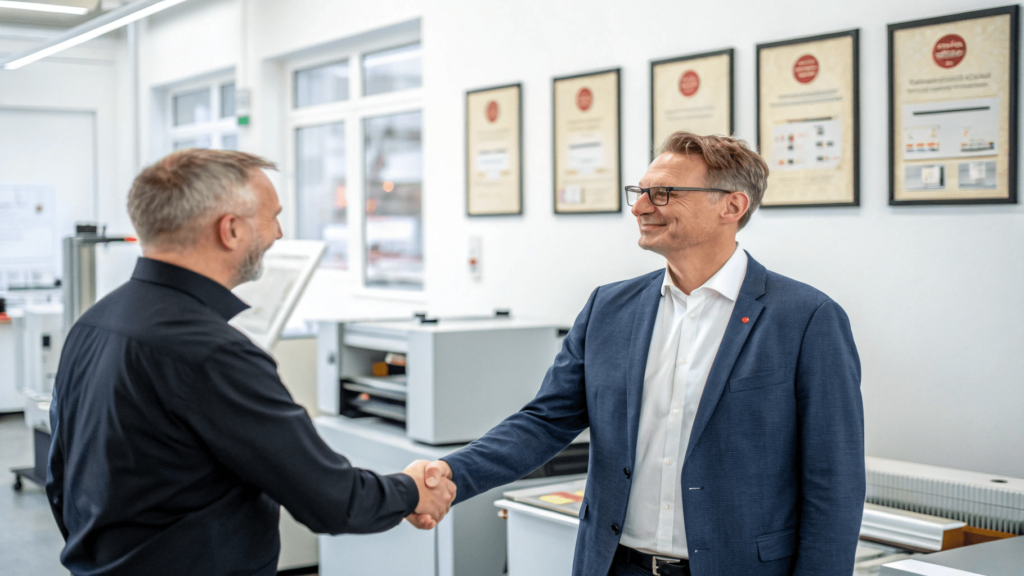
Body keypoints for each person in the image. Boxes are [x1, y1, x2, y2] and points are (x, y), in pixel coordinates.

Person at [413, 132, 865, 575]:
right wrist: (448, 474)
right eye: (641, 192)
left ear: (732, 205)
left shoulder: (807, 319)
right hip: (614, 563)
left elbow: (834, 482)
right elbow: (545, 421)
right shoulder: (609, 308)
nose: (640, 207)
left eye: (663, 193)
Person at [46, 149, 456, 576]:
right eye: (272, 216)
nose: (278, 233)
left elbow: (61, 477)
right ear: (231, 230)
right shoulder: (213, 353)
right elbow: (333, 501)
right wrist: (410, 490)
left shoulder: (94, 323)